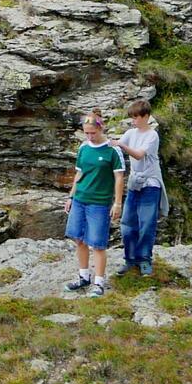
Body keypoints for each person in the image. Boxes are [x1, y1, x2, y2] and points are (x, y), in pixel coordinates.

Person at [64, 110, 127, 298]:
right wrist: (70, 197)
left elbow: (119, 177)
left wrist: (117, 203)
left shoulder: (112, 150)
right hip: (80, 199)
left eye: (93, 132)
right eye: (87, 132)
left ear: (101, 128)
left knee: (98, 244)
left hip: (99, 203)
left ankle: (99, 282)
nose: (90, 136)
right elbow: (79, 173)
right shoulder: (84, 148)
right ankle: (83, 277)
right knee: (79, 239)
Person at [114, 99, 164, 277]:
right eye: (132, 117)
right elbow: (117, 149)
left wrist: (121, 145)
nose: (133, 121)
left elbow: (139, 154)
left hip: (151, 185)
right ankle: (130, 259)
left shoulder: (152, 135)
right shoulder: (130, 133)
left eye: (136, 117)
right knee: (127, 223)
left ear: (146, 117)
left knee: (147, 224)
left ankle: (144, 260)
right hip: (135, 184)